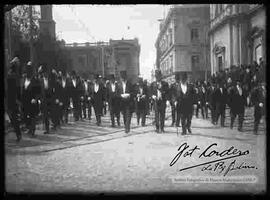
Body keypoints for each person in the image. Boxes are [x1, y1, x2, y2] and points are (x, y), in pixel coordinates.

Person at [21, 61, 41, 137]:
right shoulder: (23, 80)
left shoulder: (35, 80)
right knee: (25, 116)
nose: (28, 73)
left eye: (29, 71)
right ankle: (29, 128)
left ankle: (32, 131)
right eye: (27, 71)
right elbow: (21, 90)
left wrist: (35, 99)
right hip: (25, 101)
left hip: (32, 101)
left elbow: (38, 91)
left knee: (32, 116)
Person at [6, 57, 22, 142]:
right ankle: (18, 133)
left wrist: (17, 99)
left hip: (12, 98)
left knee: (13, 117)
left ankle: (18, 133)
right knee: (13, 117)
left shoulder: (13, 75)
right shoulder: (12, 74)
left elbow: (17, 88)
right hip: (11, 98)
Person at [39, 65, 54, 134]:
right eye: (43, 73)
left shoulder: (50, 80)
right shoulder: (40, 80)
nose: (45, 74)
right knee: (45, 114)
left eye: (46, 73)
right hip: (44, 99)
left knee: (51, 113)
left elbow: (53, 90)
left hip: (50, 99)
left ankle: (54, 124)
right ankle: (47, 128)